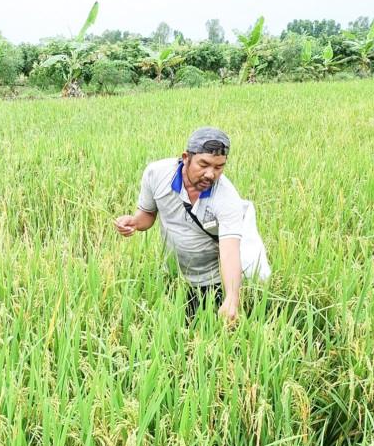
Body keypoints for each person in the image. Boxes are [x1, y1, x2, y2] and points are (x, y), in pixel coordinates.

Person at [114, 127, 270, 322]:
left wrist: (232, 297)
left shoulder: (227, 199)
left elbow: (230, 251)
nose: (210, 174)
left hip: (212, 282)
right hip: (174, 276)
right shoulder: (157, 174)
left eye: (219, 167)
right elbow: (148, 215)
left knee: (204, 331)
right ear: (186, 157)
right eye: (204, 164)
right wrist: (134, 222)